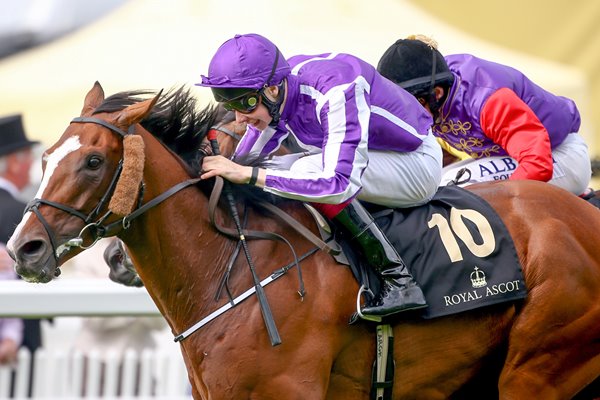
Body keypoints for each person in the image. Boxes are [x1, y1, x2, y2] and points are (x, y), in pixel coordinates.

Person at [197, 33, 443, 318]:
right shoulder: (281, 89)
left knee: (301, 171)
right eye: (231, 106)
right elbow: (251, 156)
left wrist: (248, 174)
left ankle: (399, 280)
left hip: (416, 164)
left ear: (273, 89)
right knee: (272, 170)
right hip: (380, 158)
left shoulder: (336, 90)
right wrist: (227, 172)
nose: (239, 118)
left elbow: (338, 184)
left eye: (246, 103)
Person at [377, 35, 592, 195]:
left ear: (436, 94)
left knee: (449, 187)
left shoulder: (487, 100)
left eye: (409, 104)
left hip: (559, 157)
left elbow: (538, 165)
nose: (405, 114)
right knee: (434, 182)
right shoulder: (435, 88)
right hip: (514, 157)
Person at [0, 114, 43, 396]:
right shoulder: (21, 211)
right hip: (17, 338)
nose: (30, 165)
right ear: (14, 162)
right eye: (27, 157)